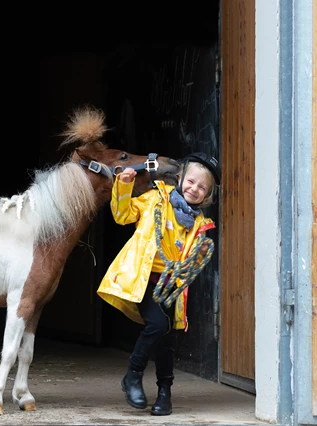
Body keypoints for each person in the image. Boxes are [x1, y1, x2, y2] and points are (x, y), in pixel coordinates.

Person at [97, 152, 221, 416]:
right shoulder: (155, 199)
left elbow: (192, 260)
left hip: (171, 287)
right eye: (191, 181)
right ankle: (133, 374)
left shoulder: (199, 225)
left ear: (208, 195)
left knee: (167, 339)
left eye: (202, 188)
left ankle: (165, 393)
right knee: (158, 324)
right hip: (143, 280)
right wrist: (125, 185)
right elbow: (122, 215)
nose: (194, 189)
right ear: (180, 177)